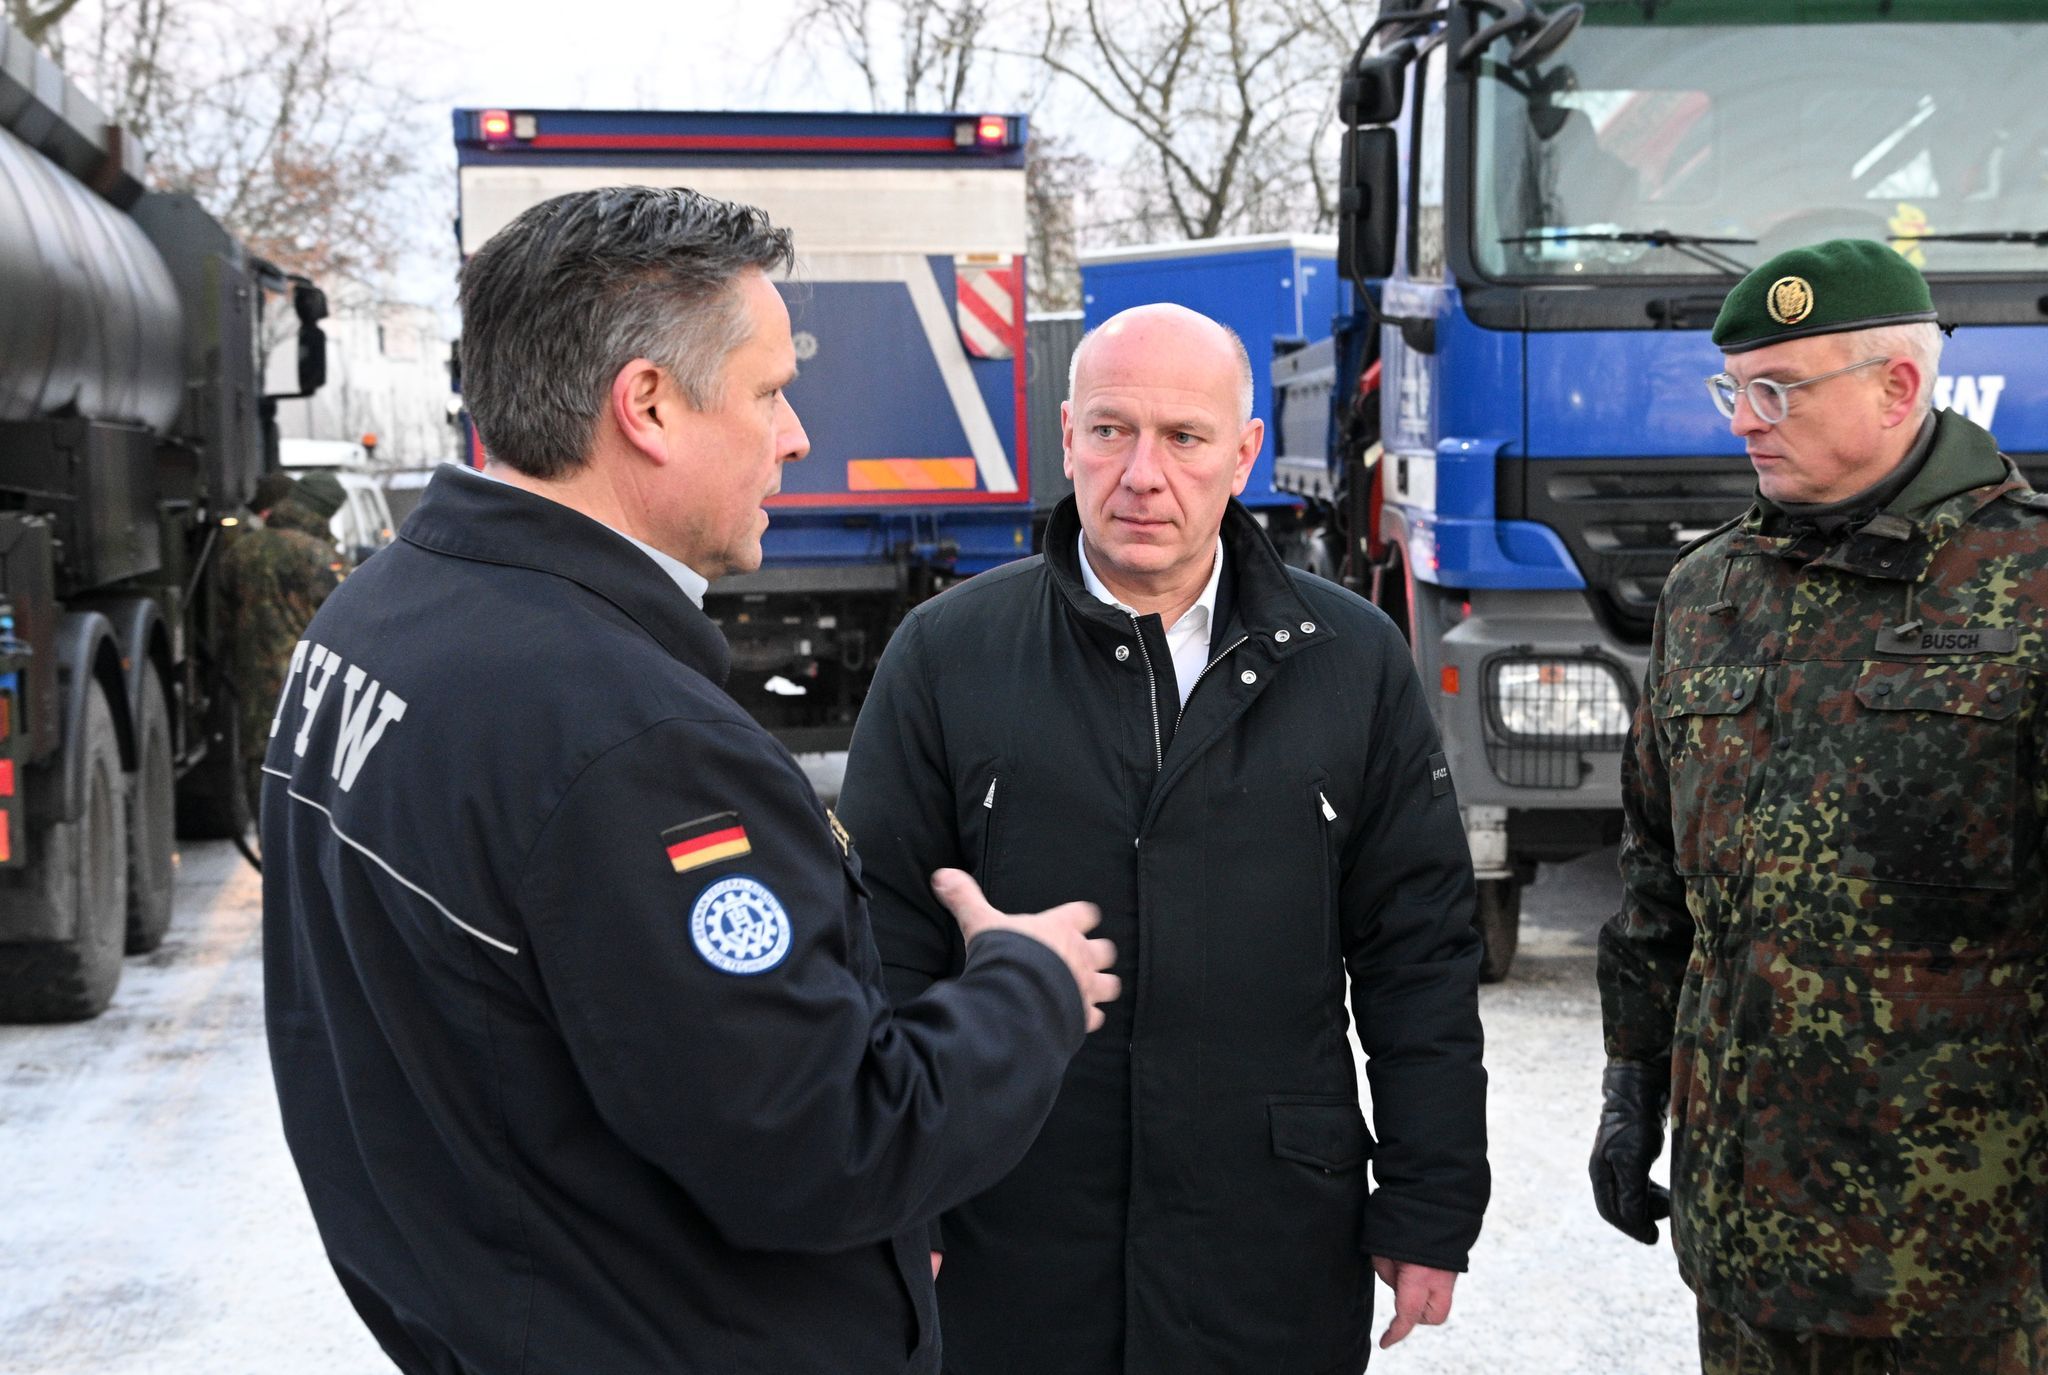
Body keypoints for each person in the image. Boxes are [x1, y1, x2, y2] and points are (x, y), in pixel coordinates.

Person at [260, 186, 1119, 1375]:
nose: (796, 434)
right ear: (648, 406)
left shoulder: (374, 619)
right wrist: (1027, 987)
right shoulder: (634, 743)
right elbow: (828, 1145)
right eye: (769, 392)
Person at [839, 302, 1490, 1374]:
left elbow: (1415, 948)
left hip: (1267, 1242)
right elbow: (879, 940)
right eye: (1109, 430)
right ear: (1064, 436)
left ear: (1243, 455)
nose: (1141, 472)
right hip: (1013, 1237)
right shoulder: (947, 654)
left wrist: (1429, 1198)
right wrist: (899, 1190)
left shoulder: (1350, 661)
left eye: (1183, 438)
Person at [1594, 237, 2048, 1372]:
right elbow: (1657, 873)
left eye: (1774, 389)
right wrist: (1630, 1078)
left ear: (1897, 385)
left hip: (1960, 1256)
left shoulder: (2028, 587)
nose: (1740, 418)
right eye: (1729, 388)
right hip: (1741, 1235)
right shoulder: (1707, 592)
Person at [218, 470, 341, 816]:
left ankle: (271, 854)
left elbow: (223, 620)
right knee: (315, 768)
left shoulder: (240, 552)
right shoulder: (318, 556)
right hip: (312, 688)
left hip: (256, 686)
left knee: (263, 765)